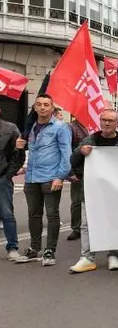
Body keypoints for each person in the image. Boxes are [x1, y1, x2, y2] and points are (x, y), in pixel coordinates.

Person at [68, 109, 118, 273]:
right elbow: (72, 161)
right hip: (91, 190)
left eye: (110, 120)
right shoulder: (90, 139)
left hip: (115, 191)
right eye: (104, 120)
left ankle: (113, 255)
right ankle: (87, 258)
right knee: (87, 225)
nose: (107, 123)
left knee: (114, 222)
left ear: (117, 123)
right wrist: (81, 152)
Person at [15, 94, 72, 266]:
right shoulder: (31, 127)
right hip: (31, 177)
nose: (42, 108)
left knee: (52, 215)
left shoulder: (61, 127)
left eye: (46, 104)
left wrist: (60, 177)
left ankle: (50, 251)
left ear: (52, 108)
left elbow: (66, 154)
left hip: (50, 177)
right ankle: (34, 248)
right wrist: (19, 146)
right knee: (34, 215)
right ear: (34, 107)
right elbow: (29, 151)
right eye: (39, 104)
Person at [0, 107, 26, 261]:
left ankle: (12, 248)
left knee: (7, 214)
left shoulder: (10, 129)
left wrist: (8, 175)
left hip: (2, 178)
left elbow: (18, 155)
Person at [66, 118, 89, 241]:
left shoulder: (94, 127)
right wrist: (70, 172)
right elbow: (67, 150)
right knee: (76, 202)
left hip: (94, 170)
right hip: (79, 171)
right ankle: (76, 228)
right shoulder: (71, 128)